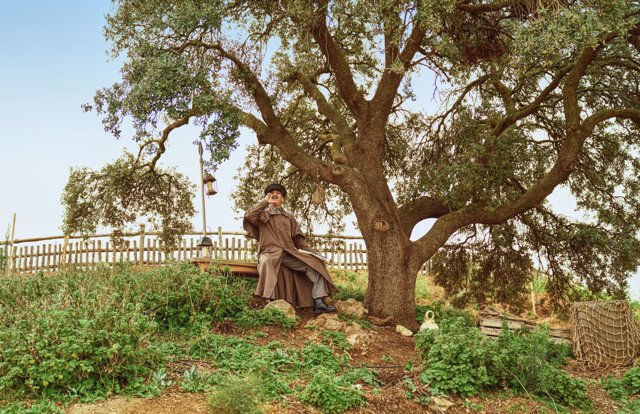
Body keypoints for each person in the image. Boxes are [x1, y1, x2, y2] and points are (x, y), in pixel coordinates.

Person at [243, 183, 337, 314]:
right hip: (269, 252)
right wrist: (265, 202)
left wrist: (315, 255)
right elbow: (249, 216)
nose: (275, 194)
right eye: (271, 193)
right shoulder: (261, 214)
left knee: (315, 264)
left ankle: (319, 301)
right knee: (266, 262)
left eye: (278, 193)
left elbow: (299, 241)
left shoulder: (289, 218)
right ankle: (267, 301)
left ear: (283, 199)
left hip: (288, 254)